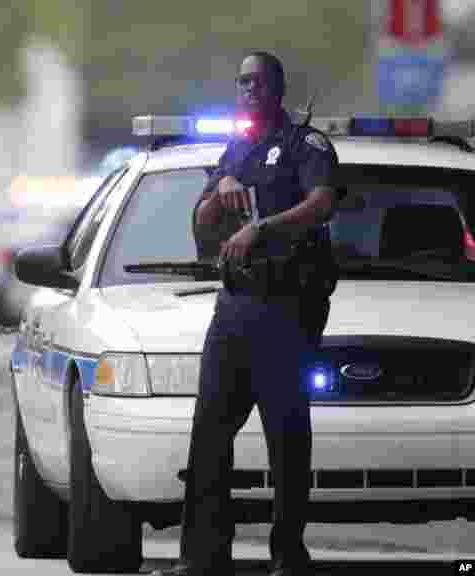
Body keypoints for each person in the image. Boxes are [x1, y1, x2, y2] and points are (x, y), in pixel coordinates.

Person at [155, 52, 340, 576]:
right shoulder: (235, 148)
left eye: (260, 82)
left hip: (286, 308)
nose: (250, 90)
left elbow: (321, 203)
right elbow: (201, 224)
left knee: (285, 436)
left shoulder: (307, 145)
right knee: (209, 433)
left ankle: (288, 555)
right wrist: (219, 191)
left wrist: (263, 228)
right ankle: (204, 558)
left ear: (278, 90)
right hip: (233, 307)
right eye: (243, 81)